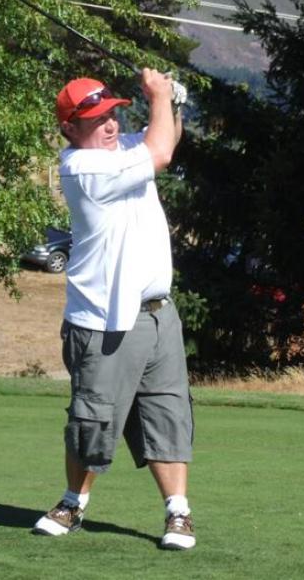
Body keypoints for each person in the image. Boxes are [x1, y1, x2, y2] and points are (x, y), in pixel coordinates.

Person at [33, 68, 195, 550]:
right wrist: (159, 95)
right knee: (94, 417)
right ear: (69, 128)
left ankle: (178, 513)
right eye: (97, 118)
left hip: (158, 313)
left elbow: (165, 135)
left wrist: (175, 103)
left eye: (113, 115)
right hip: (104, 318)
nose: (109, 125)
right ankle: (72, 504)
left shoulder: (122, 149)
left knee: (167, 414)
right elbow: (162, 151)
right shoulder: (82, 168)